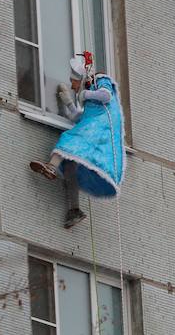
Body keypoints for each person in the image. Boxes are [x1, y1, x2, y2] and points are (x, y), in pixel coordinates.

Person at [29, 53, 125, 228]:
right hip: (95, 126)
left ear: (80, 78)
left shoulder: (100, 80)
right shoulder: (89, 102)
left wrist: (86, 94)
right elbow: (77, 117)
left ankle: (51, 166)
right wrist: (67, 101)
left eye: (73, 82)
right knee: (70, 164)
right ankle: (74, 209)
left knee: (70, 138)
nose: (73, 86)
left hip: (103, 127)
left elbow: (106, 96)